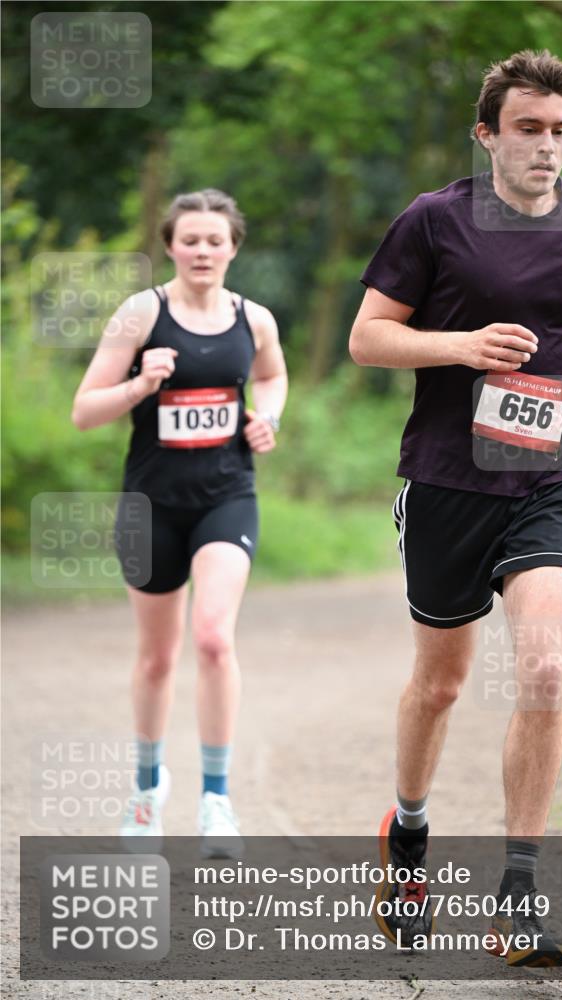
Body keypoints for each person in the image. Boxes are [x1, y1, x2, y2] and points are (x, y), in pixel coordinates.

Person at [350, 50, 562, 966]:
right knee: (441, 684)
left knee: (545, 671)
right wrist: (462, 345)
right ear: (486, 136)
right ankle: (410, 836)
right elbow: (367, 338)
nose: (547, 148)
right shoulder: (433, 221)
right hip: (446, 481)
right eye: (527, 130)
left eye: (559, 131)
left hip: (551, 476)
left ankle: (518, 892)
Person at [72, 188, 288, 857]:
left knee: (214, 639)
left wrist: (268, 417)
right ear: (170, 244)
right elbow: (84, 410)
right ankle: (146, 792)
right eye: (189, 239)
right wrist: (139, 385)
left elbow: (273, 377)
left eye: (214, 240)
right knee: (158, 657)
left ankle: (217, 801)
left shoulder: (253, 319)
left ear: (232, 247)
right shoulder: (139, 314)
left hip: (226, 497)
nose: (202, 250)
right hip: (150, 506)